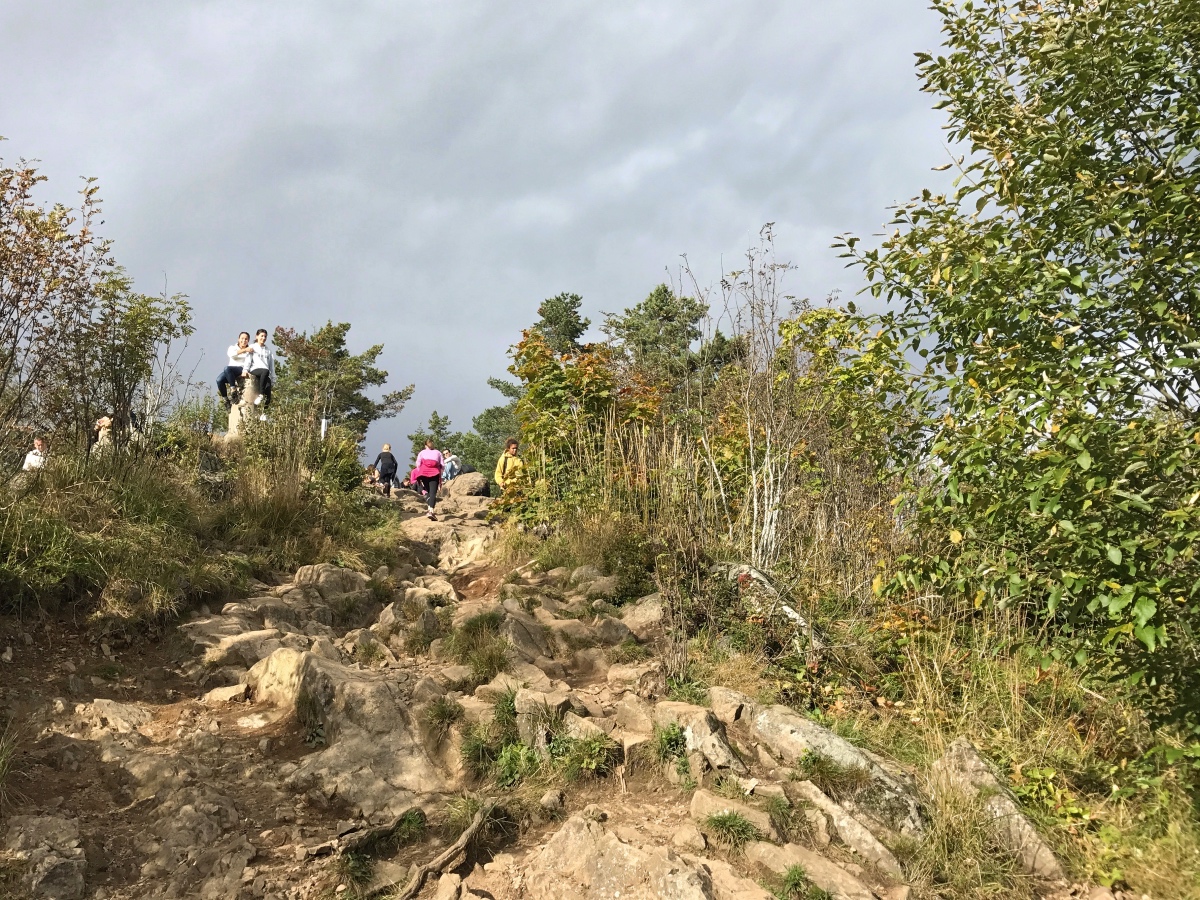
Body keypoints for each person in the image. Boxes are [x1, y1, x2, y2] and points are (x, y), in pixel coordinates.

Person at [216, 332, 252, 409]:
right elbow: (231, 354)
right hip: (230, 371)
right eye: (242, 338)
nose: (244, 340)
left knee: (227, 368)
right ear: (238, 339)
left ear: (248, 340)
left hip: (241, 369)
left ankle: (233, 389)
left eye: (246, 339)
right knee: (219, 380)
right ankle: (226, 400)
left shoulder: (250, 351)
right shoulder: (232, 348)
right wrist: (244, 350)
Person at [246, 329, 275, 420]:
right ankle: (261, 395)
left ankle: (264, 413)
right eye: (261, 336)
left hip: (265, 373)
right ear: (257, 336)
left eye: (265, 336)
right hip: (255, 369)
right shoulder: (252, 347)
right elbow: (248, 359)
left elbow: (271, 366)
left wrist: (273, 378)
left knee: (268, 389)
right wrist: (245, 370)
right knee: (265, 371)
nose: (263, 338)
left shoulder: (268, 351)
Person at [412, 438, 444, 520]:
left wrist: (421, 471)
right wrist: (441, 475)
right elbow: (442, 465)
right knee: (433, 493)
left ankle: (429, 509)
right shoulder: (438, 452)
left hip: (423, 474)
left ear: (425, 445)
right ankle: (431, 511)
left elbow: (418, 464)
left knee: (429, 492)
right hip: (434, 473)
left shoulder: (422, 453)